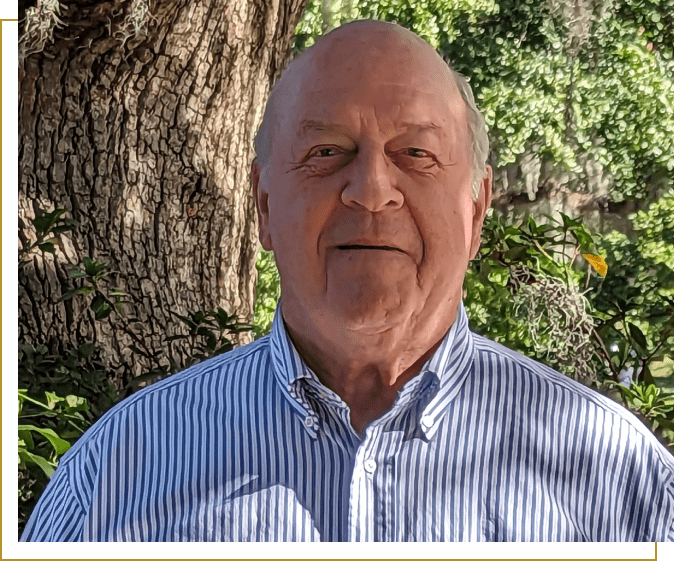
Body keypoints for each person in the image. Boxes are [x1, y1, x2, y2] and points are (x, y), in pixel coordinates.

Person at [21, 19, 674, 542]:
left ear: (476, 210)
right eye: (326, 153)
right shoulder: (118, 472)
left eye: (415, 153)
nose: (370, 191)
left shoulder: (618, 481)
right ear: (265, 207)